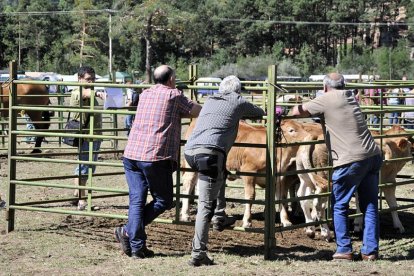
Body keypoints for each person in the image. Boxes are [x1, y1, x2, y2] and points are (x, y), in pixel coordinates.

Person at [292, 73, 382, 262]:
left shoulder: (326, 99)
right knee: (370, 205)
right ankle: (370, 251)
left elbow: (296, 112)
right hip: (372, 155)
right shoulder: (350, 96)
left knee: (339, 204)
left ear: (325, 87)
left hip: (350, 159)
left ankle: (344, 249)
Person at [114, 65, 202, 259]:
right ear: (171, 79)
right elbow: (197, 111)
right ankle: (128, 232)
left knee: (136, 200)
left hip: (132, 154)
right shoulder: (174, 95)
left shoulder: (145, 94)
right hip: (153, 157)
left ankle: (136, 246)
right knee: (164, 200)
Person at [184, 75, 265, 266]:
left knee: (220, 175)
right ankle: (198, 252)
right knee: (204, 206)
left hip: (191, 151)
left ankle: (220, 215)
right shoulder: (238, 101)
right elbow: (259, 112)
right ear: (238, 90)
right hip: (209, 155)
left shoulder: (211, 99)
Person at [70, 66, 104, 211]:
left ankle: (76, 194)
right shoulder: (77, 91)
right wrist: (97, 93)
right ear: (79, 79)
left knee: (90, 167)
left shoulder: (89, 92)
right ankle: (82, 201)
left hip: (94, 135)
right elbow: (86, 93)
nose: (91, 81)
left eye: (93, 79)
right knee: (84, 167)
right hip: (85, 136)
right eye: (88, 79)